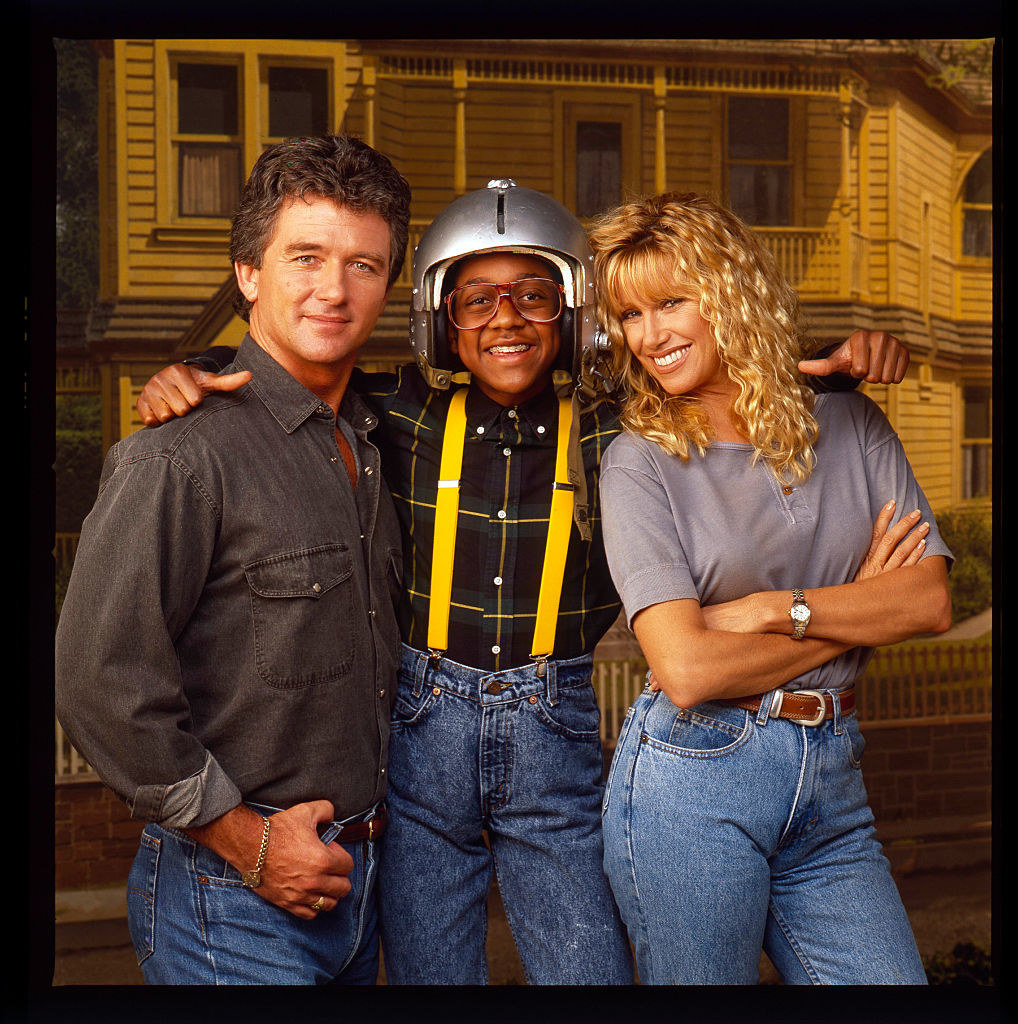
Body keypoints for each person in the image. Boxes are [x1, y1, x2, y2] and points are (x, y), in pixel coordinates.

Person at [135, 179, 913, 985]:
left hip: (558, 728)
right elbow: (285, 382)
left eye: (535, 296)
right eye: (476, 301)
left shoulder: (627, 422)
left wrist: (835, 360)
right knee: (432, 971)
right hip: (418, 730)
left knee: (590, 972)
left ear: (573, 310)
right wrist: (194, 368)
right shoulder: (389, 413)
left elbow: (716, 370)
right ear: (440, 319)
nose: (506, 319)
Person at [55, 134, 412, 985]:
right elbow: (99, 683)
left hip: (364, 891)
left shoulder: (378, 439)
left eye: (364, 265)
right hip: (232, 899)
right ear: (249, 274)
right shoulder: (179, 458)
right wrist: (248, 843)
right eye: (307, 257)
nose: (334, 288)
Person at [589, 191, 953, 985]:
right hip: (693, 782)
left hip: (834, 781)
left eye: (671, 302)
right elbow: (687, 672)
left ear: (731, 292)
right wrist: (854, 610)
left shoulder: (852, 426)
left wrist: (767, 614)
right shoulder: (638, 463)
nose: (649, 336)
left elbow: (928, 601)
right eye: (630, 315)